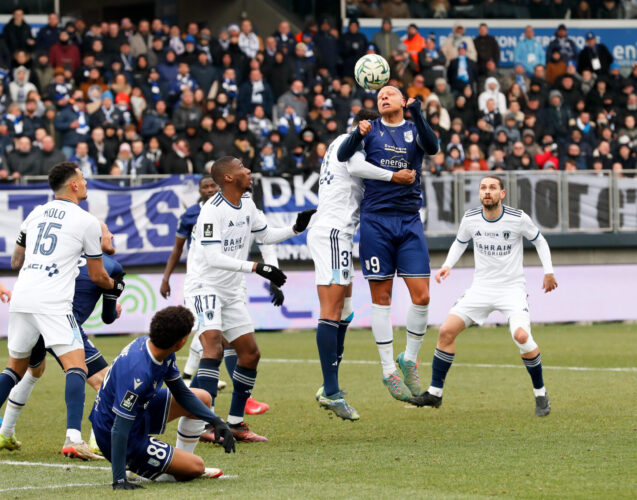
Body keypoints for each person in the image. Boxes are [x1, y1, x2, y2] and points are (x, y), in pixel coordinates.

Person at [183, 156, 314, 441]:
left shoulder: (248, 204)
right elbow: (212, 257)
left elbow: (265, 235)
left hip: (231, 289)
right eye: (243, 168)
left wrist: (295, 229)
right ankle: (204, 426)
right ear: (228, 178)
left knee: (250, 353)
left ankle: (235, 423)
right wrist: (256, 267)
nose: (248, 171)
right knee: (213, 348)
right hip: (205, 287)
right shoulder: (210, 211)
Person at [0, 162, 123, 459]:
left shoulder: (35, 213)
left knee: (15, 369)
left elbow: (16, 260)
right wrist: (111, 286)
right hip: (52, 302)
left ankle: (8, 432)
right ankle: (73, 438)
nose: (85, 181)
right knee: (77, 367)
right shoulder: (87, 221)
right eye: (82, 178)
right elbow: (97, 276)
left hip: (22, 296)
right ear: (74, 186)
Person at [411, 176, 557, 417]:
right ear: (479, 194)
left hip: (511, 290)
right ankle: (435, 393)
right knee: (446, 331)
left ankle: (540, 393)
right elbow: (460, 243)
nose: (487, 192)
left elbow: (540, 241)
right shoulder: (470, 218)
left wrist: (548, 272)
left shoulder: (517, 218)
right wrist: (447, 265)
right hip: (480, 289)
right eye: (483, 188)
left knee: (521, 336)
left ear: (502, 193)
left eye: (492, 188)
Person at [308, 108, 416, 420]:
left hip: (338, 232)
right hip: (332, 230)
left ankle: (329, 384)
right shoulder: (351, 142)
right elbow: (356, 167)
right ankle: (331, 391)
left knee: (345, 310)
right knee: (331, 311)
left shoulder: (341, 141)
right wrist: (394, 175)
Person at [336, 86, 439, 402]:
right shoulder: (369, 130)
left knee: (421, 297)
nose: (384, 97)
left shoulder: (412, 128)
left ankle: (408, 358)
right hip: (376, 221)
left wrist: (418, 113)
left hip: (408, 220)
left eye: (391, 93)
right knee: (381, 298)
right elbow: (344, 157)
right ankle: (388, 371)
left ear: (402, 102)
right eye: (380, 94)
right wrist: (357, 133)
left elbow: (433, 147)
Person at [159, 175, 272, 416]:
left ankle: (227, 405)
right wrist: (166, 278)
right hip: (205, 281)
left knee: (235, 344)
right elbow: (178, 248)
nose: (210, 189)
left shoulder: (238, 206)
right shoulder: (193, 214)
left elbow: (265, 236)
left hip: (232, 280)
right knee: (213, 343)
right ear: (199, 190)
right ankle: (204, 412)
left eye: (213, 185)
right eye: (205, 186)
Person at [89, 306, 235, 490]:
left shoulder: (157, 348)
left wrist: (216, 421)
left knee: (203, 397)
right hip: (114, 435)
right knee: (196, 467)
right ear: (181, 342)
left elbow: (181, 393)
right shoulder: (138, 373)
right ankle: (149, 467)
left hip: (138, 412)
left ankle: (176, 462)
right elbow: (119, 428)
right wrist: (119, 479)